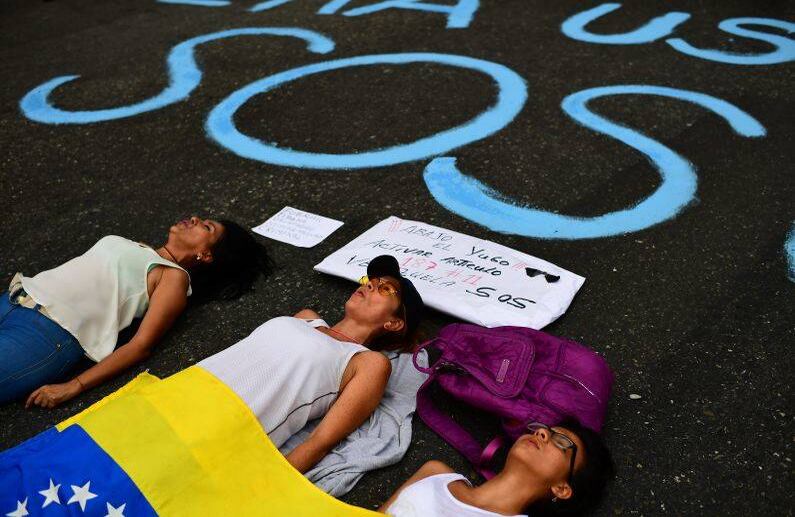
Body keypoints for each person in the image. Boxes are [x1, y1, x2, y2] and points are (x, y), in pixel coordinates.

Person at [0, 216, 272, 407]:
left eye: (206, 226)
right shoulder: (139, 247)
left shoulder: (173, 278)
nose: (194, 218)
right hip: (15, 297)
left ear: (206, 254)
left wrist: (74, 386)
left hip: (44, 335)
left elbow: (140, 346)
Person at [197, 254, 424, 473]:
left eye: (385, 289)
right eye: (369, 281)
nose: (370, 285)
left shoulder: (368, 363)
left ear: (394, 323)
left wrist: (264, 490)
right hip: (192, 385)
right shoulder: (307, 318)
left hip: (223, 428)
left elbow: (318, 443)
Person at [379, 419, 615, 516]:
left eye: (561, 442)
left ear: (562, 488)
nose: (542, 433)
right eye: (545, 429)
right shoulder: (435, 473)